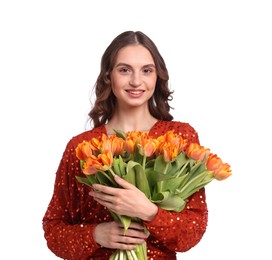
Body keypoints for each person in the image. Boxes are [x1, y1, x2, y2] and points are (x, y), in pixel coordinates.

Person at [42, 31, 208, 260]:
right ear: (109, 76)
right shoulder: (82, 147)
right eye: (124, 70)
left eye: (146, 70)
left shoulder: (179, 138)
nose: (136, 81)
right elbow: (53, 230)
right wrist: (96, 234)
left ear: (157, 76)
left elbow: (192, 232)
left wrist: (150, 212)